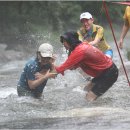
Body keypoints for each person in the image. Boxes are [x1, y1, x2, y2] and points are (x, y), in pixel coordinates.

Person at [55, 31, 118, 101]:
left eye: (64, 41)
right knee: (85, 90)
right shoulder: (80, 47)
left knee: (89, 97)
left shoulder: (80, 51)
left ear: (70, 41)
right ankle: (98, 104)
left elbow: (61, 69)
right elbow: (72, 67)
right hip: (104, 72)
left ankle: (98, 111)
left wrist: (47, 71)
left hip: (109, 73)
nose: (63, 44)